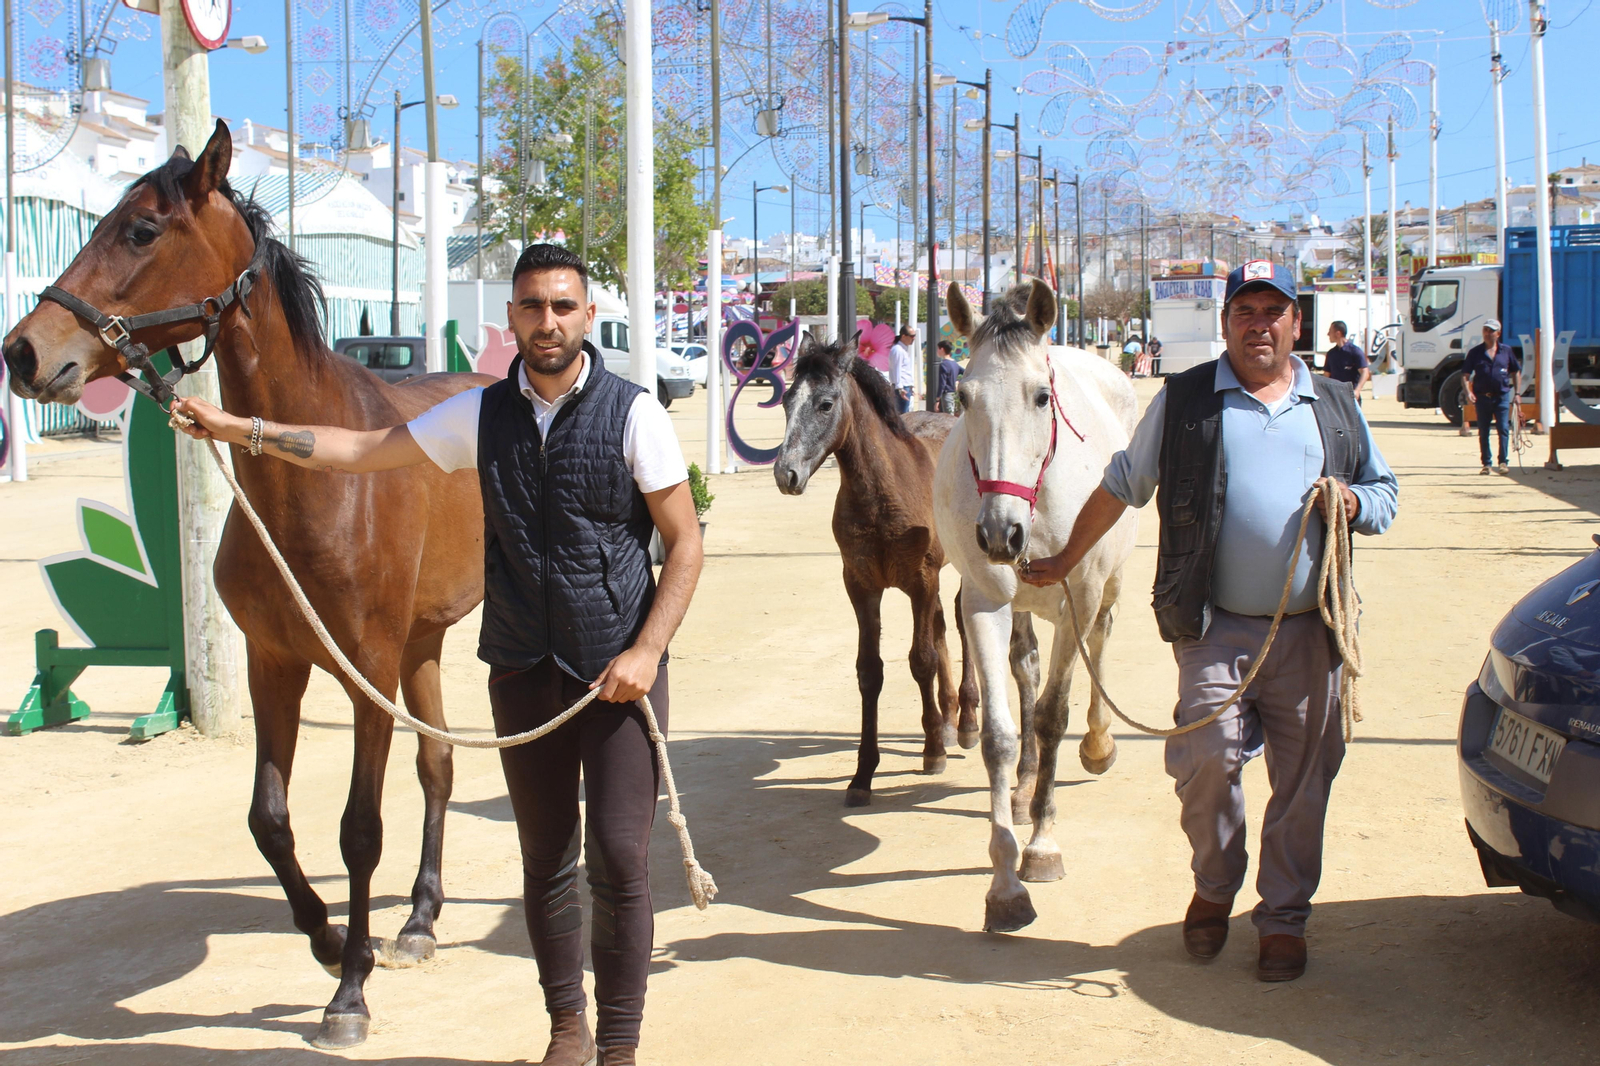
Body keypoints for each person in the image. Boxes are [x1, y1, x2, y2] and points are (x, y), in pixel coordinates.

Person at [171, 244, 703, 1066]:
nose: (548, 322)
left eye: (563, 306)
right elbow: (357, 450)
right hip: (524, 671)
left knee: (621, 863)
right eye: (532, 307)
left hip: (614, 676)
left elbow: (685, 543)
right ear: (513, 320)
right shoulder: (476, 414)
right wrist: (242, 428)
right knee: (547, 863)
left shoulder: (635, 415)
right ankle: (567, 1031)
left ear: (588, 316)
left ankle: (620, 1049)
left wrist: (648, 649)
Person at [1019, 260, 1398, 984]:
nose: (1259, 324)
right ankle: (1215, 887)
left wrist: (1353, 504)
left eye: (1273, 311)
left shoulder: (1337, 404)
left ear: (1295, 324)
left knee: (1304, 780)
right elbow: (1124, 482)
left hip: (1311, 629)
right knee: (1205, 764)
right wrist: (1068, 555)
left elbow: (1386, 493)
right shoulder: (1189, 399)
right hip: (1214, 626)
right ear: (1226, 323)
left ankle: (1283, 918)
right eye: (1245, 311)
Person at [1462, 319, 1522, 475]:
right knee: (1483, 430)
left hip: (1501, 396)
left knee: (1503, 429)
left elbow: (1516, 372)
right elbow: (1465, 374)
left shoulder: (1506, 351)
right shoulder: (1475, 353)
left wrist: (1517, 394)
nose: (1488, 334)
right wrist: (1468, 392)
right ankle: (1486, 464)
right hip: (1482, 398)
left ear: (1498, 333)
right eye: (1485, 330)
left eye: (1491, 331)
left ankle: (1503, 462)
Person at [1323, 320, 1371, 403]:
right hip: (1334, 397)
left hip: (1350, 397)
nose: (1328, 334)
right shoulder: (1331, 354)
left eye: (1330, 331)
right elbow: (1326, 375)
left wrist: (1357, 390)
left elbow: (1365, 372)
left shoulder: (1355, 351)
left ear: (1338, 333)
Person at [889, 325, 916, 414]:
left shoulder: (902, 349)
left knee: (905, 414)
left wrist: (911, 386)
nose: (914, 338)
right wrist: (900, 388)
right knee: (902, 416)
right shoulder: (898, 350)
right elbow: (897, 369)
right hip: (902, 388)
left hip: (905, 387)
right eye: (912, 336)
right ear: (903, 336)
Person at [935, 340, 962, 413]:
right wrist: (959, 381)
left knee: (948, 417)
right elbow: (965, 372)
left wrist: (937, 399)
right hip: (954, 394)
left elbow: (942, 383)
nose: (937, 351)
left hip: (947, 394)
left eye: (938, 349)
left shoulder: (943, 364)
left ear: (942, 349)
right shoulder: (955, 363)